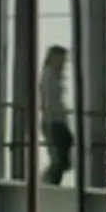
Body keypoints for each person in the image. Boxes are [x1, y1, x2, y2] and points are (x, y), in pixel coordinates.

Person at [40, 46, 74, 186]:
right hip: (53, 121)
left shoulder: (53, 76)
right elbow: (48, 99)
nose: (64, 64)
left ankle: (48, 182)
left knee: (64, 157)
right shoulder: (48, 75)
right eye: (62, 60)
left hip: (57, 121)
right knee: (59, 160)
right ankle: (47, 183)